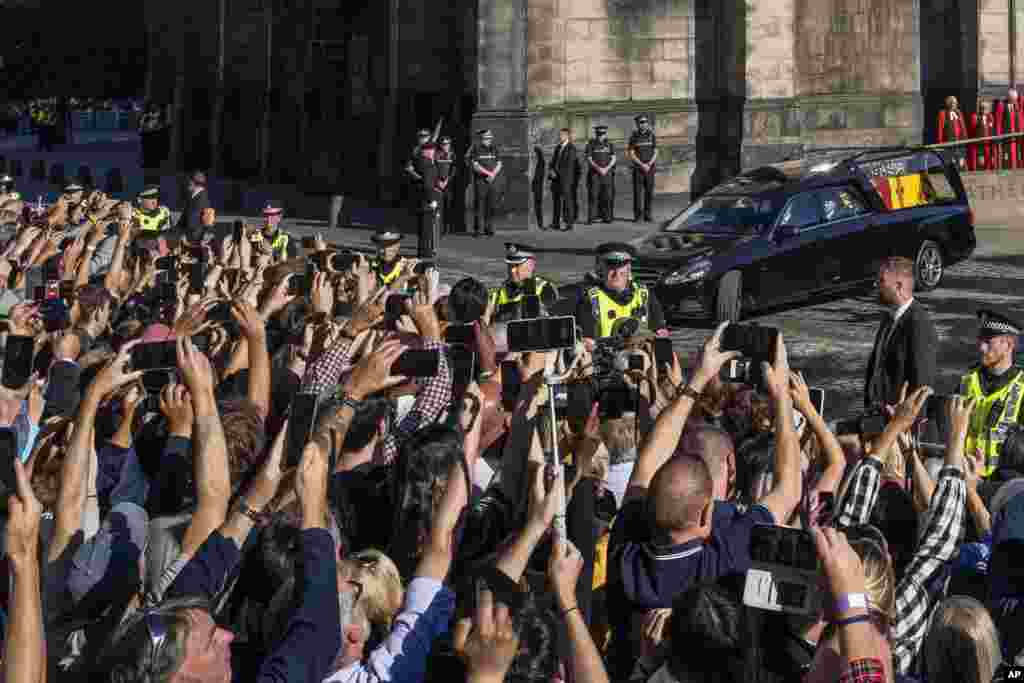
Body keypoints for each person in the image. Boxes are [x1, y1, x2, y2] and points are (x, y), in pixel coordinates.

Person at [864, 256, 938, 413]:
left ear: (898, 286)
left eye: (882, 281)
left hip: (899, 423)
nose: (877, 285)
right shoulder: (889, 318)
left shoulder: (919, 324)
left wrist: (908, 424)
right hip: (877, 415)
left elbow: (922, 385)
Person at [958, 308, 1024, 477]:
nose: (981, 347)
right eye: (980, 340)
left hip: (1003, 482)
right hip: (962, 472)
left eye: (989, 341)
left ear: (1008, 345)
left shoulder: (1021, 387)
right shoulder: (967, 380)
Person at [575, 242, 668, 347]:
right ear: (601, 269)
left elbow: (660, 331)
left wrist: (659, 336)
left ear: (629, 269)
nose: (617, 273)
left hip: (640, 354)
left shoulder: (645, 294)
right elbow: (587, 341)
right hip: (603, 358)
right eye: (611, 268)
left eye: (621, 268)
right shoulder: (590, 299)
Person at [488, 243, 558, 324]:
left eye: (517, 265)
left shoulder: (545, 289)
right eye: (510, 266)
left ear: (531, 264)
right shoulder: (497, 292)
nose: (512, 270)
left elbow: (553, 324)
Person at [468, 129, 502, 237]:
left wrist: (493, 174)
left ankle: (489, 228)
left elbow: (499, 163)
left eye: (490, 138)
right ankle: (478, 230)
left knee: (491, 205)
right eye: (486, 138)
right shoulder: (476, 149)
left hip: (492, 181)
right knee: (479, 205)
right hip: (480, 181)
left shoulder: (494, 148)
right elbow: (475, 165)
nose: (488, 140)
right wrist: (488, 173)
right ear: (481, 138)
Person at [628, 115, 658, 222]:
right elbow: (631, 153)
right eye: (641, 122)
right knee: (637, 193)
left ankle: (648, 215)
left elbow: (655, 151)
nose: (643, 123)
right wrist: (642, 164)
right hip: (638, 169)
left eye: (645, 121)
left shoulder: (651, 135)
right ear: (637, 124)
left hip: (650, 168)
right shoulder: (634, 137)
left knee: (649, 192)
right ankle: (638, 216)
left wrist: (649, 163)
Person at [586, 125, 616, 224]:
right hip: (595, 174)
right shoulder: (591, 143)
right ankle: (592, 218)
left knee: (607, 196)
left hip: (607, 174)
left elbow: (613, 158)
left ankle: (607, 217)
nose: (601, 135)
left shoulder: (610, 144)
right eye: (599, 134)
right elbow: (589, 158)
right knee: (593, 196)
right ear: (596, 134)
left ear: (605, 133)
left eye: (603, 133)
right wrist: (599, 168)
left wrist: (606, 168)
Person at [549, 128, 577, 232]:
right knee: (556, 201)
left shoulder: (571, 148)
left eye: (561, 135)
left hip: (565, 179)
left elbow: (569, 165)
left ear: (567, 136)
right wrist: (551, 170)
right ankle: (555, 223)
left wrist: (557, 172)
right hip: (556, 179)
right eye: (559, 135)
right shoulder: (558, 147)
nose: (559, 136)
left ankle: (569, 224)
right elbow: (553, 161)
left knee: (567, 201)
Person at [175, 170, 211, 242]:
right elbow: (186, 215)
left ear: (192, 182)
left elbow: (193, 220)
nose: (186, 185)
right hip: (191, 235)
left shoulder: (201, 197)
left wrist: (184, 234)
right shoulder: (193, 196)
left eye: (188, 182)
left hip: (194, 237)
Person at [995, 89, 1023, 170]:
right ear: (1009, 98)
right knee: (1006, 158)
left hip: (1015, 138)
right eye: (1013, 99)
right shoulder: (1002, 105)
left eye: (1015, 99)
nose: (1015, 101)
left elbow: (1019, 120)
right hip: (1006, 138)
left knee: (1016, 157)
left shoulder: (1016, 106)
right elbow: (999, 122)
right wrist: (999, 136)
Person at [435, 136, 457, 235]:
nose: (446, 146)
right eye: (444, 144)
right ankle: (438, 228)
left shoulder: (452, 154)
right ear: (440, 144)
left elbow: (454, 169)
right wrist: (438, 181)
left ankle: (446, 229)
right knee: (438, 207)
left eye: (448, 144)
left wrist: (447, 181)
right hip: (437, 184)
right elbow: (433, 168)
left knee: (448, 206)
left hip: (448, 184)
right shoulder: (436, 154)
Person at [970, 99, 996, 172]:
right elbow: (974, 134)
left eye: (986, 108)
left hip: (989, 146)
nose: (984, 109)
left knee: (989, 167)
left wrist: (992, 153)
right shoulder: (975, 117)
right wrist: (979, 154)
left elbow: (992, 133)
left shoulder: (990, 117)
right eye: (982, 108)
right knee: (981, 166)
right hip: (980, 147)